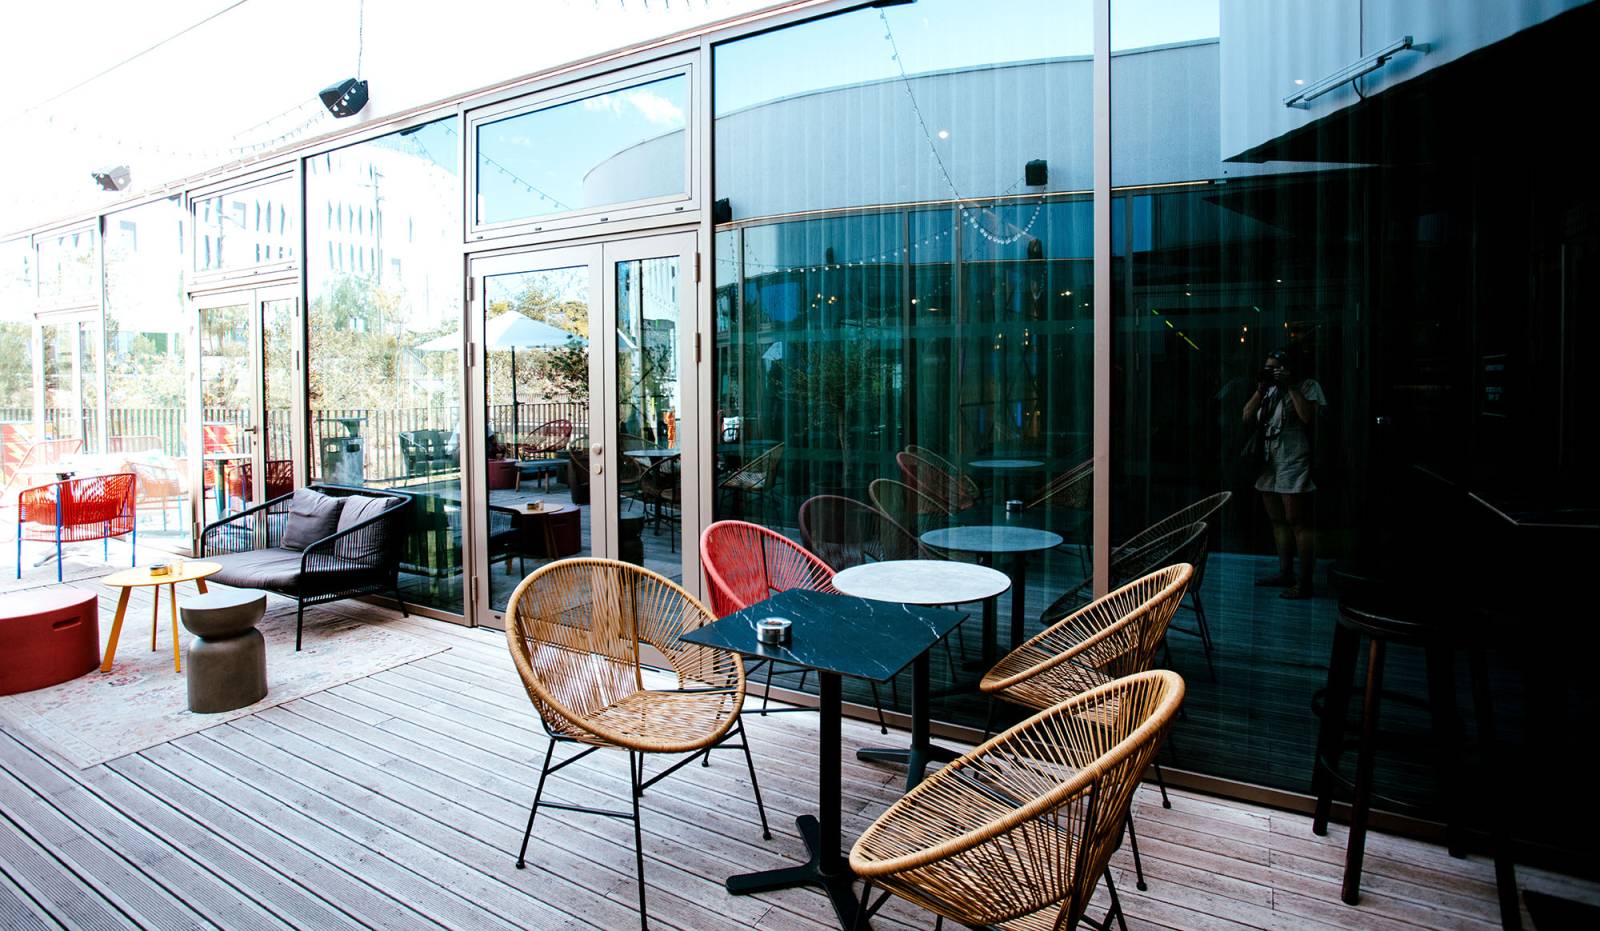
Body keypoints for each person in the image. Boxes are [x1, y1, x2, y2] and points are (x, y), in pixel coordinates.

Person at [1242, 348, 1327, 599]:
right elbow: (1247, 416)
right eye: (1268, 368)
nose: (1272, 372)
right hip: (1269, 459)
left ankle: (1305, 580)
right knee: (1277, 520)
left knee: (1297, 521)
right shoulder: (1268, 390)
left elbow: (1307, 417)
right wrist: (1260, 389)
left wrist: (1290, 386)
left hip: (1293, 456)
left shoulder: (1307, 386)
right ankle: (1285, 572)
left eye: (1276, 367)